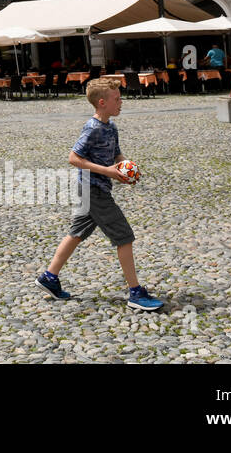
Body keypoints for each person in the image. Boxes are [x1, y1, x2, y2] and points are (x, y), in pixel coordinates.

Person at [35, 77, 163, 311]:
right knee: (124, 237)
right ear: (102, 102)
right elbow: (74, 158)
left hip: (95, 189)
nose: (121, 102)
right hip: (93, 190)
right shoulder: (92, 128)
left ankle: (49, 278)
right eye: (117, 99)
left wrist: (128, 168)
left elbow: (117, 154)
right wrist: (109, 172)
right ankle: (135, 292)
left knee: (77, 232)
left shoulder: (111, 127)